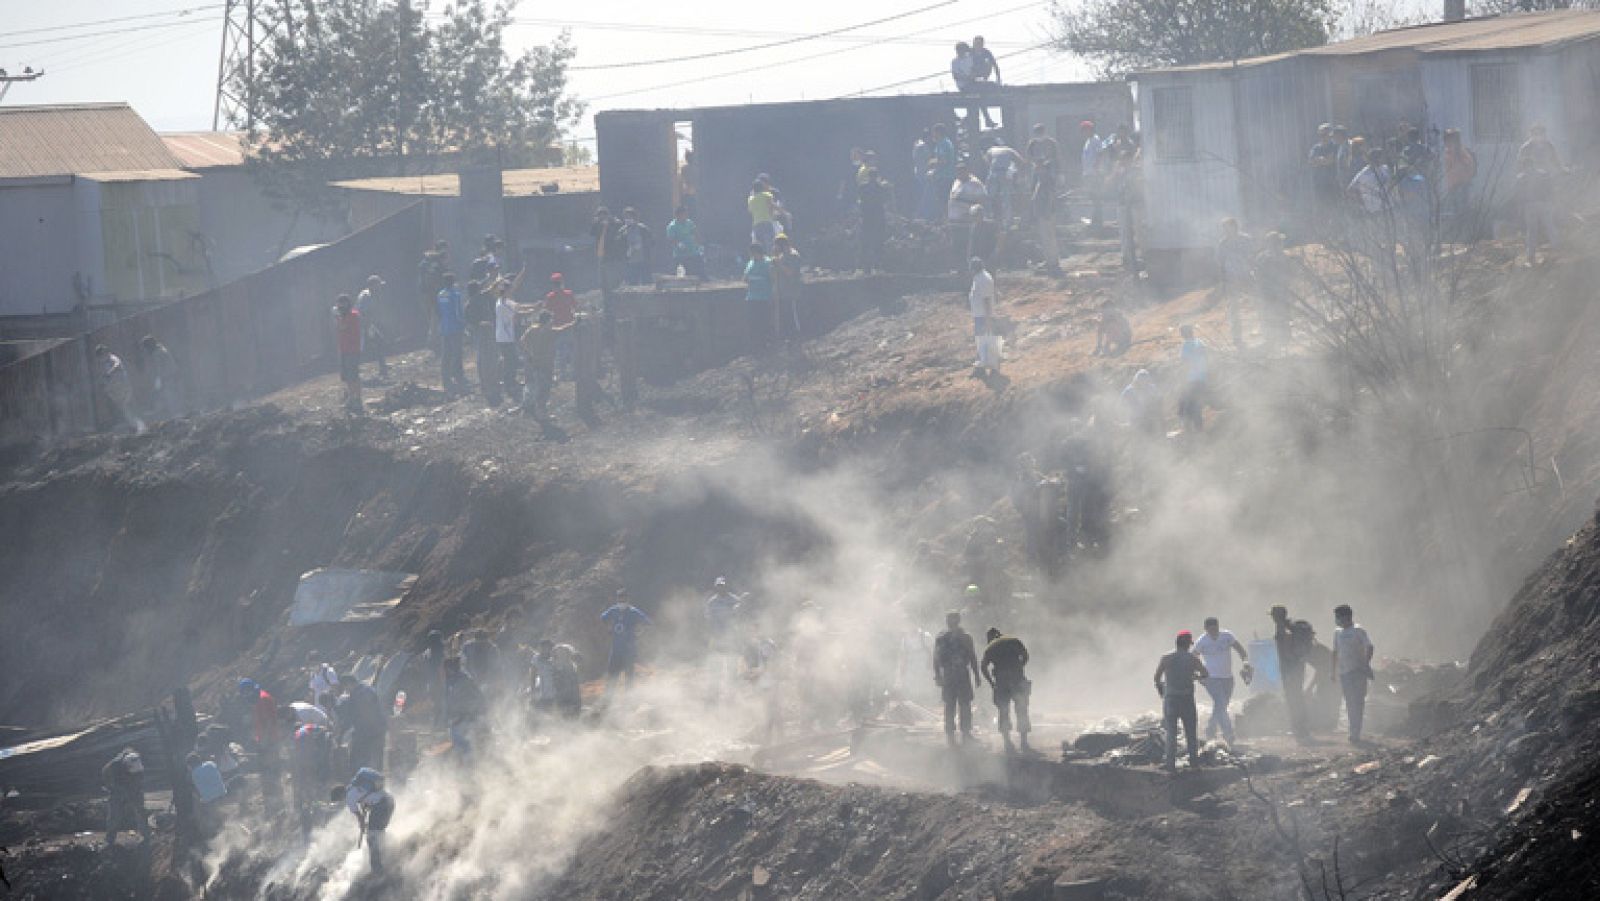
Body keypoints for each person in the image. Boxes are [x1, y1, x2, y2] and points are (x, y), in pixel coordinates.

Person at [1153, 631, 1209, 771]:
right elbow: (1205, 674)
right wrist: (1194, 677)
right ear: (1188, 644)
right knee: (1191, 733)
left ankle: (1170, 765)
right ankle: (1194, 764)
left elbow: (1156, 678)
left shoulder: (1166, 657)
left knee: (1171, 733)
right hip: (1187, 699)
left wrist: (1162, 692)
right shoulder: (1193, 659)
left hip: (1171, 699)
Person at [1193, 617, 1249, 747]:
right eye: (1211, 630)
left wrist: (1245, 663)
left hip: (1227, 677)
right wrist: (1198, 675)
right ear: (1206, 629)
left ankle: (1210, 729)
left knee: (1221, 705)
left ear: (1218, 627)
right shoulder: (1202, 641)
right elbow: (1193, 657)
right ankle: (1228, 734)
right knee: (1220, 702)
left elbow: (1240, 650)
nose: (1214, 633)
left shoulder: (1227, 636)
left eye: (1216, 629)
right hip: (1211, 677)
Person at [933, 610, 981, 746]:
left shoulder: (942, 637)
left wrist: (937, 675)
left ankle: (951, 734)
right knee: (963, 704)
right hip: (961, 674)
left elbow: (936, 660)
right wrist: (977, 675)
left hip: (950, 675)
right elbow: (972, 657)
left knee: (951, 704)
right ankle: (964, 733)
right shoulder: (965, 637)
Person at [980, 627, 1031, 753]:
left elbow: (983, 667)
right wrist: (1019, 668)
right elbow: (1025, 656)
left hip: (1002, 681)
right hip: (1017, 679)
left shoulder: (990, 647)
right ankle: (1024, 741)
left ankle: (1007, 742)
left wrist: (992, 683)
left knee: (1003, 710)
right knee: (1021, 708)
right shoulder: (1014, 640)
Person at [1517, 125, 1562, 266]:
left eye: (1540, 133)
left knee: (1543, 225)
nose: (1538, 137)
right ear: (1531, 134)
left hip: (1541, 192)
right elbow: (1520, 164)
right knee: (1541, 226)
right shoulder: (1525, 148)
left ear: (1544, 134)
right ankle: (1537, 254)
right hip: (1538, 196)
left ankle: (1553, 250)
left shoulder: (1549, 146)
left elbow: (1556, 161)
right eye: (1535, 134)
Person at [1331, 605, 1375, 744]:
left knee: (1358, 701)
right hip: (1344, 672)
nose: (1336, 620)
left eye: (1338, 616)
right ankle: (1353, 730)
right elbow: (1335, 652)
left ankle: (1355, 731)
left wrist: (1365, 663)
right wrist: (1332, 671)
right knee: (1350, 702)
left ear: (1346, 617)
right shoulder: (1337, 632)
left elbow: (1369, 646)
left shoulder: (1358, 631)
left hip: (1357, 671)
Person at [601, 589, 652, 693]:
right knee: (612, 674)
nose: (621, 601)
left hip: (629, 650)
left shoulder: (633, 612)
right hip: (615, 650)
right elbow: (603, 617)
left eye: (624, 599)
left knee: (629, 675)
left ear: (628, 599)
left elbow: (647, 622)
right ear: (617, 599)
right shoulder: (613, 610)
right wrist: (609, 627)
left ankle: (628, 700)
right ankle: (608, 699)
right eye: (620, 598)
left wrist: (640, 632)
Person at [343, 768, 394, 873]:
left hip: (381, 806)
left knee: (372, 837)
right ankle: (387, 858)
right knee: (379, 832)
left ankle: (377, 869)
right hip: (390, 802)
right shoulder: (356, 787)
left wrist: (362, 825)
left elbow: (360, 817)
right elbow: (367, 804)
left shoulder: (349, 798)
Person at [1270, 605, 1310, 740]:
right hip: (1296, 666)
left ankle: (1299, 727)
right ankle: (1300, 727)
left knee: (1294, 697)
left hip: (1290, 668)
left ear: (1276, 616)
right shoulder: (1289, 626)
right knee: (1296, 696)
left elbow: (1286, 650)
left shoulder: (1284, 628)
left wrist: (1288, 671)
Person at [1028, 124, 1062, 273]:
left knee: (1049, 234)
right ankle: (1049, 260)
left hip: (1048, 208)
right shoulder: (1032, 145)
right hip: (1041, 209)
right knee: (1044, 236)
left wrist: (1047, 208)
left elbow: (1049, 194)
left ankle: (1053, 261)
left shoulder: (1047, 178)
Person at [291, 721, 333, 840]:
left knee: (312, 798)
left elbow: (303, 759)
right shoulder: (316, 728)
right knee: (321, 793)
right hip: (322, 763)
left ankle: (314, 825)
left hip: (316, 765)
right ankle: (322, 820)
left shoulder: (299, 734)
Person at [1215, 218, 1253, 349]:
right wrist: (1223, 281)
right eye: (1224, 228)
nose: (1225, 231)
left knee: (1260, 303)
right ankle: (1237, 337)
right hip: (1231, 279)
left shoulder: (1246, 240)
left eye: (1227, 228)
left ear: (1235, 227)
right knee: (1234, 309)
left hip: (1246, 276)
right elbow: (1220, 263)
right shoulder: (1223, 243)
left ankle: (1267, 329)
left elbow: (1251, 257)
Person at [336, 677, 388, 773]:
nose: (346, 690)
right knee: (378, 758)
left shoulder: (357, 695)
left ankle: (361, 781)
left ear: (349, 683)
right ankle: (379, 781)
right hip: (379, 728)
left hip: (367, 732)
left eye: (345, 687)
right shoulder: (369, 689)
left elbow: (351, 717)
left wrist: (341, 734)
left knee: (358, 758)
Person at [493, 271, 530, 405]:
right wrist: (534, 310)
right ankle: (508, 383)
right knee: (511, 361)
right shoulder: (503, 305)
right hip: (504, 337)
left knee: (510, 359)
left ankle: (508, 381)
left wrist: (533, 306)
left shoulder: (504, 301)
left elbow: (520, 306)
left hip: (505, 336)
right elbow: (519, 313)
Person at [101, 747, 150, 847]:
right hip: (117, 790)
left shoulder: (137, 764)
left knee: (140, 811)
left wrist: (136, 791)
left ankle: (146, 835)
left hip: (134, 790)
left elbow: (140, 780)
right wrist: (116, 789)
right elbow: (107, 778)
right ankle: (110, 839)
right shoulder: (113, 767)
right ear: (126, 766)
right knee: (114, 814)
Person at [94, 344, 143, 433]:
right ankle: (133, 426)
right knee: (123, 408)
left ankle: (137, 425)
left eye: (100, 355)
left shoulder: (112, 358)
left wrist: (110, 373)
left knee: (127, 406)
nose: (100, 358)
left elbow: (116, 365)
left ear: (104, 353)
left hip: (122, 387)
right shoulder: (104, 364)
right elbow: (104, 378)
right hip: (115, 390)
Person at [706, 577, 742, 693]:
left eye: (723, 585)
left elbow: (741, 618)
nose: (721, 588)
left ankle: (733, 689)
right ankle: (716, 689)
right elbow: (708, 620)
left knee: (732, 663)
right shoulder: (712, 602)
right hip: (717, 637)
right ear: (716, 587)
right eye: (719, 586)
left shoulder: (735, 600)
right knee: (716, 664)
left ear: (726, 586)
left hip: (732, 637)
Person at [520, 310, 557, 422]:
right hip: (544, 365)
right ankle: (541, 413)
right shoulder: (548, 331)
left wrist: (529, 353)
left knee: (531, 385)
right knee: (544, 388)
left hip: (534, 363)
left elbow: (522, 341)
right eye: (551, 319)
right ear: (547, 320)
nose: (552, 321)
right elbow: (563, 329)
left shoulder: (532, 329)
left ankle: (528, 407)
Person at [442, 656, 484, 756]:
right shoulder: (451, 680)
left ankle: (468, 765)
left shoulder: (463, 680)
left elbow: (476, 698)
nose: (444, 672)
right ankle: (463, 764)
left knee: (464, 743)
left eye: (445, 669)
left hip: (465, 717)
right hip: (457, 718)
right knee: (459, 742)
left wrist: (466, 714)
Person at [1440, 128, 1477, 234]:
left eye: (1448, 138)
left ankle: (1465, 233)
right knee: (1457, 211)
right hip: (1455, 186)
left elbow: (1466, 167)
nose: (1446, 141)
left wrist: (1462, 179)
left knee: (1462, 211)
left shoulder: (1460, 152)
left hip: (1461, 185)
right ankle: (1461, 233)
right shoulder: (1451, 151)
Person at [542, 272, 577, 380]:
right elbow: (575, 307)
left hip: (562, 327)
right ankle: (567, 373)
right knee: (566, 351)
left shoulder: (553, 296)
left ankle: (566, 373)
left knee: (564, 352)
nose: (556, 286)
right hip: (564, 327)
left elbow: (546, 312)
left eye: (556, 284)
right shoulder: (565, 294)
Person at [436, 272, 468, 395]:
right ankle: (458, 375)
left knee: (446, 353)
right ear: (453, 282)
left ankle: (445, 376)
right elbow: (457, 312)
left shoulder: (440, 294)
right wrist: (464, 324)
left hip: (444, 327)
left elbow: (439, 311)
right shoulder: (455, 294)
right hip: (455, 327)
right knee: (457, 352)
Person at [355, 275, 391, 381]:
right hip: (362, 325)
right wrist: (368, 327)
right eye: (377, 284)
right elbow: (362, 312)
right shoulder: (365, 296)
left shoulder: (374, 294)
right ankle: (354, 371)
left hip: (369, 324)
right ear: (372, 285)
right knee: (360, 349)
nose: (380, 287)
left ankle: (383, 368)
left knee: (380, 343)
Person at [139, 335, 180, 421]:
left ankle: (177, 415)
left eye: (146, 348)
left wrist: (160, 380)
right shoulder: (159, 350)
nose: (145, 350)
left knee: (171, 396)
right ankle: (172, 415)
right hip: (168, 376)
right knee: (167, 396)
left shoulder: (158, 353)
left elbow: (162, 368)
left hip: (168, 377)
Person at [1177, 324, 1209, 433]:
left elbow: (1184, 364)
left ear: (1183, 334)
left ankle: (1189, 433)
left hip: (1192, 381)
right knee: (1197, 407)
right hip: (1202, 380)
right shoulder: (1200, 343)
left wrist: (1181, 381)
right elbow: (1206, 357)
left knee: (1186, 408)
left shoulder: (1186, 345)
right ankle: (1198, 431)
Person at [858, 167, 891, 272]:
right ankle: (876, 263)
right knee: (877, 240)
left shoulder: (863, 188)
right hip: (877, 217)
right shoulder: (881, 189)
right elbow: (885, 202)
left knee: (867, 240)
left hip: (868, 216)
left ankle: (867, 264)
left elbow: (860, 202)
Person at [968, 257, 998, 373]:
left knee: (984, 337)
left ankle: (987, 361)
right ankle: (985, 360)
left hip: (983, 314)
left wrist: (988, 317)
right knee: (983, 337)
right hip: (980, 314)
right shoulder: (980, 277)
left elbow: (986, 299)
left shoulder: (983, 279)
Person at [771, 234, 804, 337]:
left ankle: (797, 335)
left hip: (792, 291)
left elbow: (790, 272)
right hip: (783, 292)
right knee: (786, 316)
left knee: (793, 314)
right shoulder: (782, 255)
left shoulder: (793, 255)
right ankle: (788, 336)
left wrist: (779, 263)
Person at [744, 244, 775, 350]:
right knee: (753, 322)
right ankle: (755, 345)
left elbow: (772, 279)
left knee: (764, 321)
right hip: (751, 297)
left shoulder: (768, 262)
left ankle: (765, 344)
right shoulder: (750, 263)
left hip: (764, 297)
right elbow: (745, 277)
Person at [666, 205, 707, 279]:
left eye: (686, 213)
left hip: (693, 251)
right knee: (681, 271)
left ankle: (705, 282)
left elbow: (695, 232)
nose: (686, 215)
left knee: (700, 268)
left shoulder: (689, 222)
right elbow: (671, 239)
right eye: (684, 214)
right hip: (680, 253)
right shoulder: (672, 226)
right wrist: (678, 244)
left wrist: (700, 243)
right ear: (678, 215)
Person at [1078, 120, 1105, 228]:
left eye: (1084, 130)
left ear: (1089, 129)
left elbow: (1100, 154)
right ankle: (1095, 220)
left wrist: (1096, 169)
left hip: (1094, 174)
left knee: (1096, 197)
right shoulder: (1088, 141)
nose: (1083, 132)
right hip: (1089, 173)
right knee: (1093, 197)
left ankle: (1098, 221)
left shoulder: (1095, 139)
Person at [1307, 124, 1341, 207]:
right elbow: (1311, 161)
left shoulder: (1336, 147)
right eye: (1320, 135)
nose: (1322, 137)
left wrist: (1319, 160)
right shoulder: (1316, 148)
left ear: (1330, 135)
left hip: (1334, 183)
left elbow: (1330, 161)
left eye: (1325, 134)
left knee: (1335, 206)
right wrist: (1324, 159)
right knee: (1322, 208)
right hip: (1319, 184)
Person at [619, 207, 653, 286]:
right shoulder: (622, 231)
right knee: (632, 284)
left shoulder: (642, 228)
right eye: (626, 217)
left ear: (635, 217)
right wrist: (626, 251)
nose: (628, 219)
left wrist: (642, 245)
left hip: (643, 260)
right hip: (630, 262)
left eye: (630, 217)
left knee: (647, 283)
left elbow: (651, 241)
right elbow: (619, 245)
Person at [749, 179, 781, 254]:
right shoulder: (767, 195)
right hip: (767, 222)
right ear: (762, 188)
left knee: (760, 245)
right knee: (770, 244)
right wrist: (783, 212)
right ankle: (772, 262)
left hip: (756, 225)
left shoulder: (750, 200)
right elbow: (772, 206)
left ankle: (763, 261)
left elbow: (751, 211)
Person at [912, 130, 934, 221]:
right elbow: (926, 160)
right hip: (923, 173)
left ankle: (922, 214)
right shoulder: (922, 146)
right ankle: (923, 214)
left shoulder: (917, 145)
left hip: (918, 172)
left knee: (923, 193)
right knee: (925, 194)